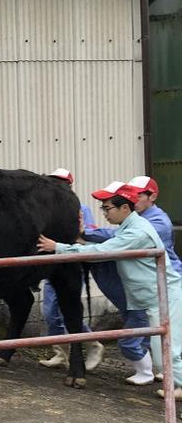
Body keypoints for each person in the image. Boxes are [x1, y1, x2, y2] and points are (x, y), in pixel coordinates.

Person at [37, 182, 182, 399]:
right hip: (153, 297)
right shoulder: (129, 227)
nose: (104, 213)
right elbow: (105, 244)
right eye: (103, 208)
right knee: (165, 350)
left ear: (125, 208)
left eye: (107, 208)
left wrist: (58, 247)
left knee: (166, 353)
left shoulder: (138, 232)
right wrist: (80, 239)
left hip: (164, 296)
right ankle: (178, 386)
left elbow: (101, 251)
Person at [82, 175, 182, 383]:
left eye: (138, 195)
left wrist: (84, 234)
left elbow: (116, 240)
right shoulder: (132, 222)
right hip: (149, 287)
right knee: (160, 341)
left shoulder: (154, 223)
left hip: (162, 286)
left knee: (164, 343)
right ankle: (163, 377)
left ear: (152, 196)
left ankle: (163, 377)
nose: (133, 199)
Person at [38, 169, 105, 371]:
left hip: (71, 263)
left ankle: (92, 343)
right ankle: (61, 352)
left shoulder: (80, 208)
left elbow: (87, 235)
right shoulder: (45, 207)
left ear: (69, 185)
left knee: (67, 309)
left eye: (62, 182)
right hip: (52, 263)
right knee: (50, 311)